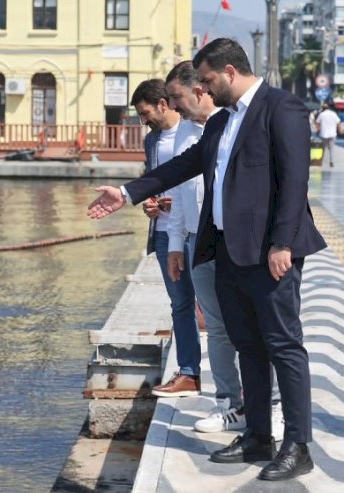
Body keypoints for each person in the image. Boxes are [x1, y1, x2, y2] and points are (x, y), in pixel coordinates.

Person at [88, 38, 326, 482]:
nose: (204, 89)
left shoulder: (282, 108)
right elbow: (183, 165)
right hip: (228, 253)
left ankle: (298, 445)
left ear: (230, 72)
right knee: (249, 347)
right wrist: (125, 193)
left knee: (284, 346)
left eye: (208, 80)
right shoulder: (221, 122)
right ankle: (258, 435)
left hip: (270, 254)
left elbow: (294, 181)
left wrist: (282, 244)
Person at [164, 60, 285, 439]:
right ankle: (230, 406)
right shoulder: (183, 134)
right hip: (200, 246)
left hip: (245, 247)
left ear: (201, 89)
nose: (174, 106)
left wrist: (279, 242)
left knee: (263, 329)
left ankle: (274, 408)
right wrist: (174, 243)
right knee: (217, 330)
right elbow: (180, 194)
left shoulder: (236, 122)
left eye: (178, 97)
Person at [131, 79, 201, 398]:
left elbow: (198, 178)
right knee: (180, 303)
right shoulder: (152, 141)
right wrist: (150, 201)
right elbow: (154, 180)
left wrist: (183, 200)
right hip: (162, 233)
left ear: (163, 104)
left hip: (195, 230)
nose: (144, 121)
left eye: (146, 113)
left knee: (217, 306)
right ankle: (188, 371)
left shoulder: (193, 132)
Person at [315, 103, 341, 167]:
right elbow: (338, 122)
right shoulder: (333, 114)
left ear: (323, 108)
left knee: (322, 148)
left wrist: (318, 130)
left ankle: (321, 161)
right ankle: (331, 162)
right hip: (333, 134)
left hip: (324, 134)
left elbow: (317, 123)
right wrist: (340, 130)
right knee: (332, 149)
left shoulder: (322, 114)